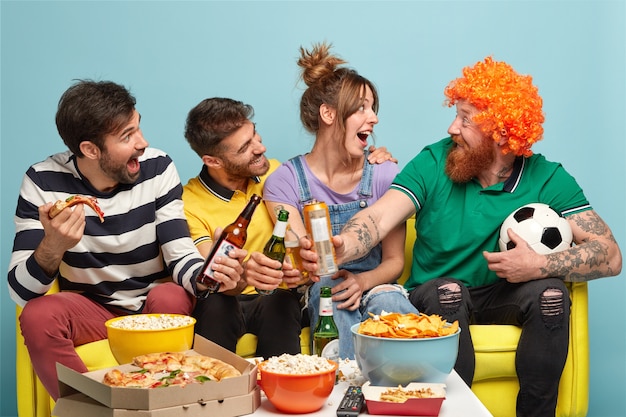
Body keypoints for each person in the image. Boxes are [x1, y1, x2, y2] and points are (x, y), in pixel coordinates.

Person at [303, 57, 622, 417]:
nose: (453, 127)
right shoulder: (434, 161)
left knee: (551, 294)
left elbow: (610, 256)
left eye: (466, 119)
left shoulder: (548, 178)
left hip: (504, 293)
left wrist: (537, 264)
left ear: (501, 133)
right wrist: (344, 245)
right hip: (437, 292)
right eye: (456, 114)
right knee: (448, 292)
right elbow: (378, 219)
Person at [7, 80, 244, 400]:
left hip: (153, 302)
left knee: (171, 299)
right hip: (91, 308)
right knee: (37, 315)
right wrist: (53, 245)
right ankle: (91, 407)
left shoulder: (158, 168)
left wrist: (207, 276)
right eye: (127, 136)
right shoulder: (42, 181)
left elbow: (180, 254)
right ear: (90, 149)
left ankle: (163, 403)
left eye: (138, 128)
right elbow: (22, 291)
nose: (142, 143)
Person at [182, 97, 396, 358]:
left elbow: (304, 252)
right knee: (216, 305)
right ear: (213, 161)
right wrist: (245, 273)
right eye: (245, 148)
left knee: (281, 303)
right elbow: (214, 275)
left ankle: (285, 387)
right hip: (227, 298)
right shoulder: (189, 203)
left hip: (278, 299)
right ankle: (215, 393)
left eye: (255, 135)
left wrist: (370, 159)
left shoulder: (276, 174)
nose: (260, 148)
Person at [263, 42, 418, 360]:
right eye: (361, 107)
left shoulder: (384, 174)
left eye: (374, 108)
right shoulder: (285, 181)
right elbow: (305, 261)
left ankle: (412, 390)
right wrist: (303, 261)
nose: (373, 118)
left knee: (389, 301)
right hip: (322, 287)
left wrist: (362, 281)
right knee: (330, 295)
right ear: (328, 113)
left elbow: (394, 263)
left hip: (373, 281)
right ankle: (348, 393)